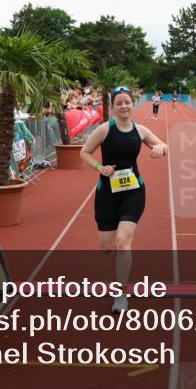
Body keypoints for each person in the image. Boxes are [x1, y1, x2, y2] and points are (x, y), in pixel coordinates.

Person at [80, 86, 168, 312]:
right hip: (107, 193)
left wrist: (160, 148)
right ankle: (120, 262)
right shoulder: (103, 130)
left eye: (127, 102)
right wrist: (100, 167)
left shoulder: (140, 130)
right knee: (108, 247)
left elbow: (163, 144)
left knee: (123, 242)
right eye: (119, 103)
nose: (123, 106)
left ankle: (121, 295)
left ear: (133, 104)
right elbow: (84, 152)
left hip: (133, 191)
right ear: (113, 107)